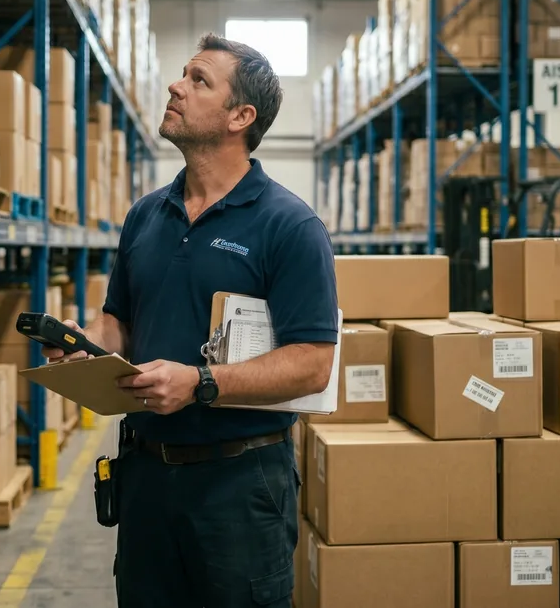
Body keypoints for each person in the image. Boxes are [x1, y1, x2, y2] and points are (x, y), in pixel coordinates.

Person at [41, 34, 338, 607]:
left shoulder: (290, 226)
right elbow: (119, 323)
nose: (176, 87)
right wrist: (83, 342)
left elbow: (313, 365)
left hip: (240, 485)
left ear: (240, 116)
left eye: (199, 80)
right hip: (146, 476)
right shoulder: (146, 215)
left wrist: (200, 383)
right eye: (182, 74)